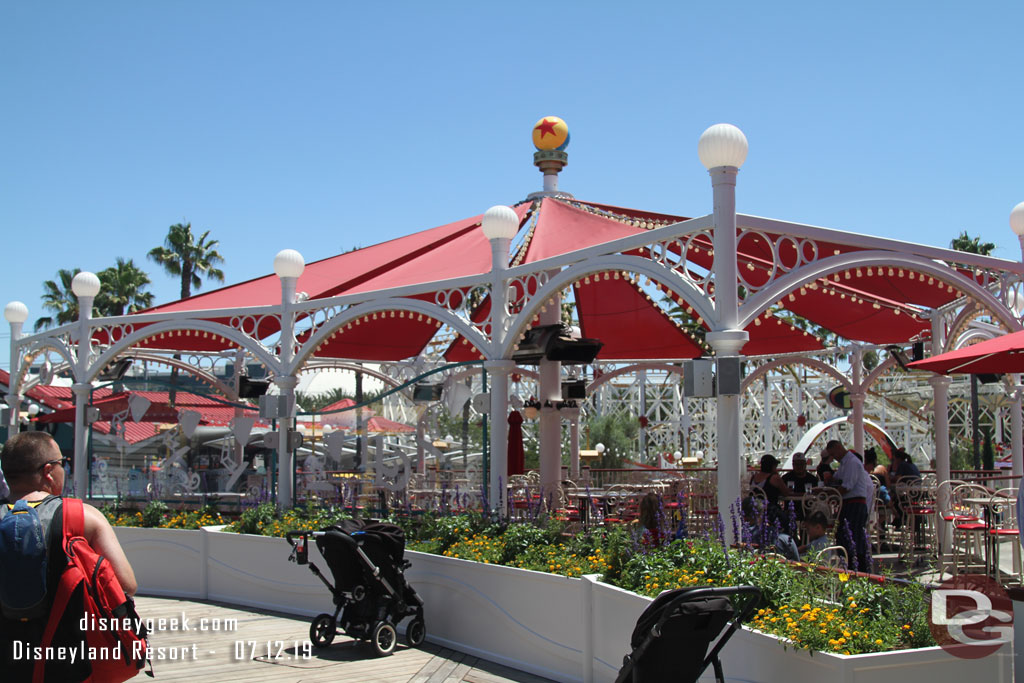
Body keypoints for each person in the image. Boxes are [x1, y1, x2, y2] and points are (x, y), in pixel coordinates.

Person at [0, 432, 137, 681]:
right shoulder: (84, 517)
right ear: (49, 471)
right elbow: (126, 584)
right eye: (64, 462)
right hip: (67, 660)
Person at [822, 439, 874, 573]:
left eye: (833, 454)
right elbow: (838, 479)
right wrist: (830, 479)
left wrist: (831, 494)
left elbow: (847, 486)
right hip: (849, 504)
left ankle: (859, 568)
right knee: (844, 536)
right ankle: (849, 566)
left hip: (855, 504)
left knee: (853, 537)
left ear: (839, 448)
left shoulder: (851, 462)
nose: (834, 458)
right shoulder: (845, 463)